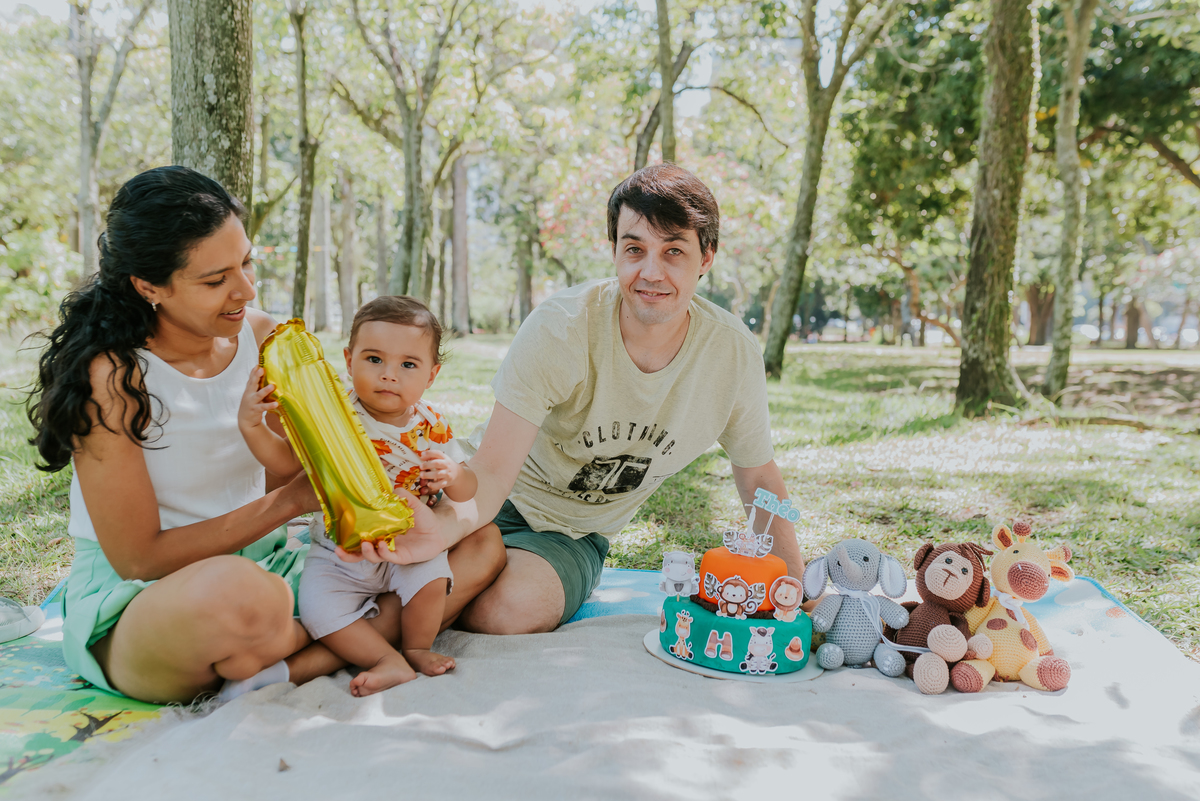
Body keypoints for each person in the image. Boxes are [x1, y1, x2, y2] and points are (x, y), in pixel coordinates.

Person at [27, 166, 504, 704]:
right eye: (215, 281)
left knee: (476, 544)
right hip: (150, 600)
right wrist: (294, 501)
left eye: (246, 262)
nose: (246, 290)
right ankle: (328, 641)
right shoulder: (111, 377)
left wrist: (368, 508)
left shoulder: (267, 339)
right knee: (245, 599)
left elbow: (295, 466)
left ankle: (284, 659)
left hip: (271, 565)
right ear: (148, 286)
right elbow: (140, 559)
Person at [350, 163, 804, 634]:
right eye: (635, 249)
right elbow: (492, 473)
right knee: (384, 563)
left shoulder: (731, 354)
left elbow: (758, 476)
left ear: (706, 257)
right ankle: (386, 618)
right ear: (614, 251)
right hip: (483, 492)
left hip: (571, 535)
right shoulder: (562, 326)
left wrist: (795, 589)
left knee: (509, 612)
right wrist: (442, 530)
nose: (651, 272)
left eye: (674, 251)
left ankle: (403, 610)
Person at [238, 296, 475, 696]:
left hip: (408, 546)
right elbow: (284, 461)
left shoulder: (431, 425)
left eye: (408, 365)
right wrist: (252, 425)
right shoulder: (334, 414)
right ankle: (385, 659)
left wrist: (453, 474)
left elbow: (468, 490)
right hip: (338, 552)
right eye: (374, 359)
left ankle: (416, 647)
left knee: (433, 579)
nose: (389, 375)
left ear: (431, 375)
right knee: (318, 610)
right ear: (349, 361)